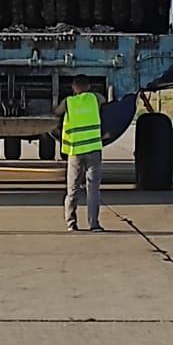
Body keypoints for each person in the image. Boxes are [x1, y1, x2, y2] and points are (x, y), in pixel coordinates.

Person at [56, 74, 105, 231]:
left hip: (75, 150)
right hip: (93, 150)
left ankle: (71, 223)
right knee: (93, 189)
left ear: (73, 88)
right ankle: (94, 224)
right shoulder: (94, 99)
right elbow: (104, 100)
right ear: (89, 87)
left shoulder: (69, 102)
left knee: (72, 189)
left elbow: (56, 111)